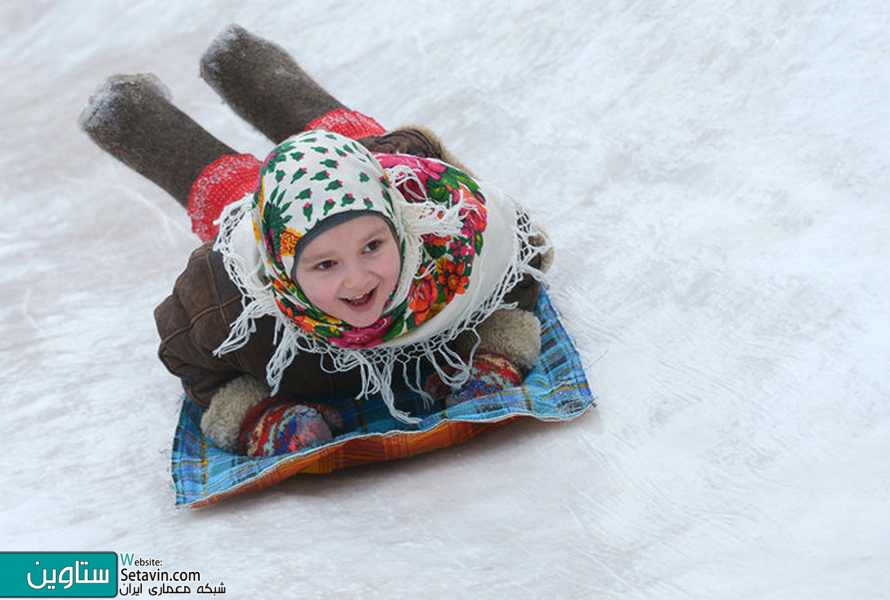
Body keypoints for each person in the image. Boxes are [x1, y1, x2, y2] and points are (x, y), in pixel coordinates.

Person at [80, 25, 552, 457]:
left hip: (383, 175)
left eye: (373, 249)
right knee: (234, 191)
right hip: (276, 220)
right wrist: (251, 412)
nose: (359, 279)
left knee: (349, 140)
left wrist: (495, 350)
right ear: (282, 275)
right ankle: (128, 112)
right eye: (326, 266)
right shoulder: (234, 302)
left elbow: (522, 256)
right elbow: (190, 354)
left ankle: (243, 61)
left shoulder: (450, 246)